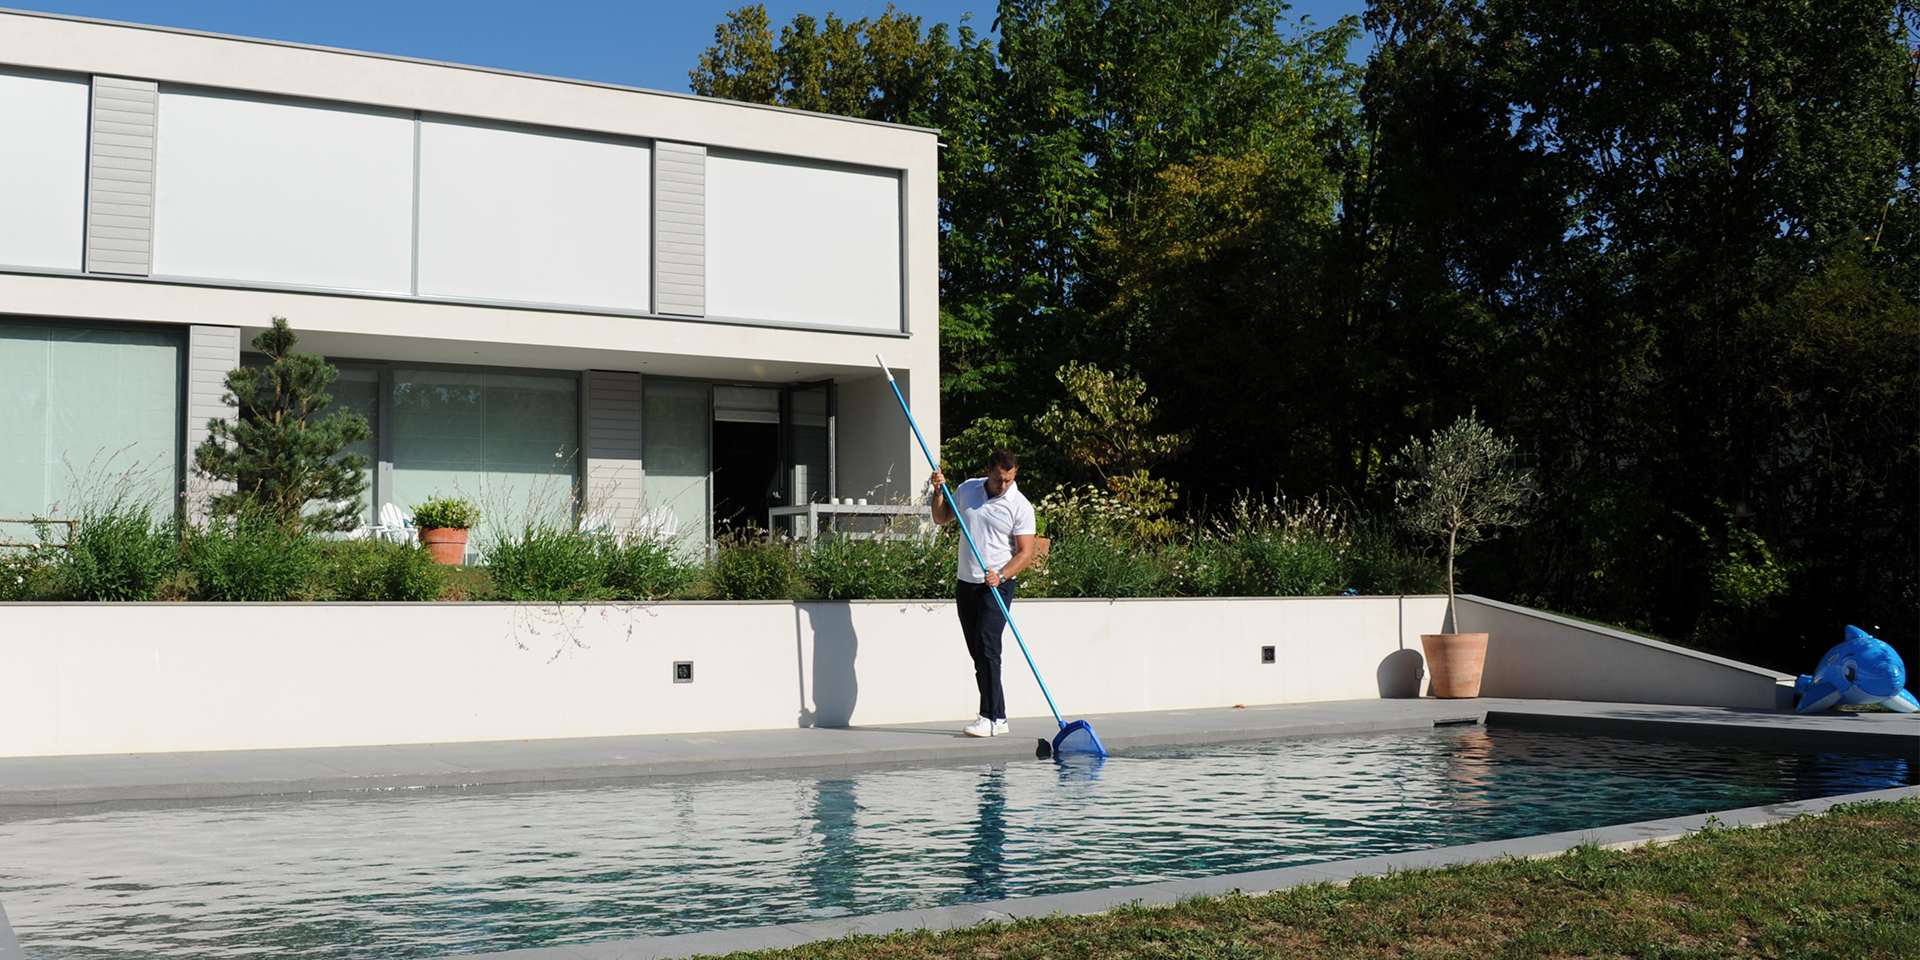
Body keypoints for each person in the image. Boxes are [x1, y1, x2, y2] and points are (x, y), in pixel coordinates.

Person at [929, 449, 1037, 737]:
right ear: (989, 470)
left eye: (1009, 480)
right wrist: (938, 491)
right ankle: (998, 718)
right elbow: (941, 517)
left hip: (997, 585)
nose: (1004, 486)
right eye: (1000, 479)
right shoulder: (967, 490)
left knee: (989, 648)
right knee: (979, 653)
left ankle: (988, 716)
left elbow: (1025, 554)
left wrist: (1001, 574)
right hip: (966, 582)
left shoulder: (1020, 505)